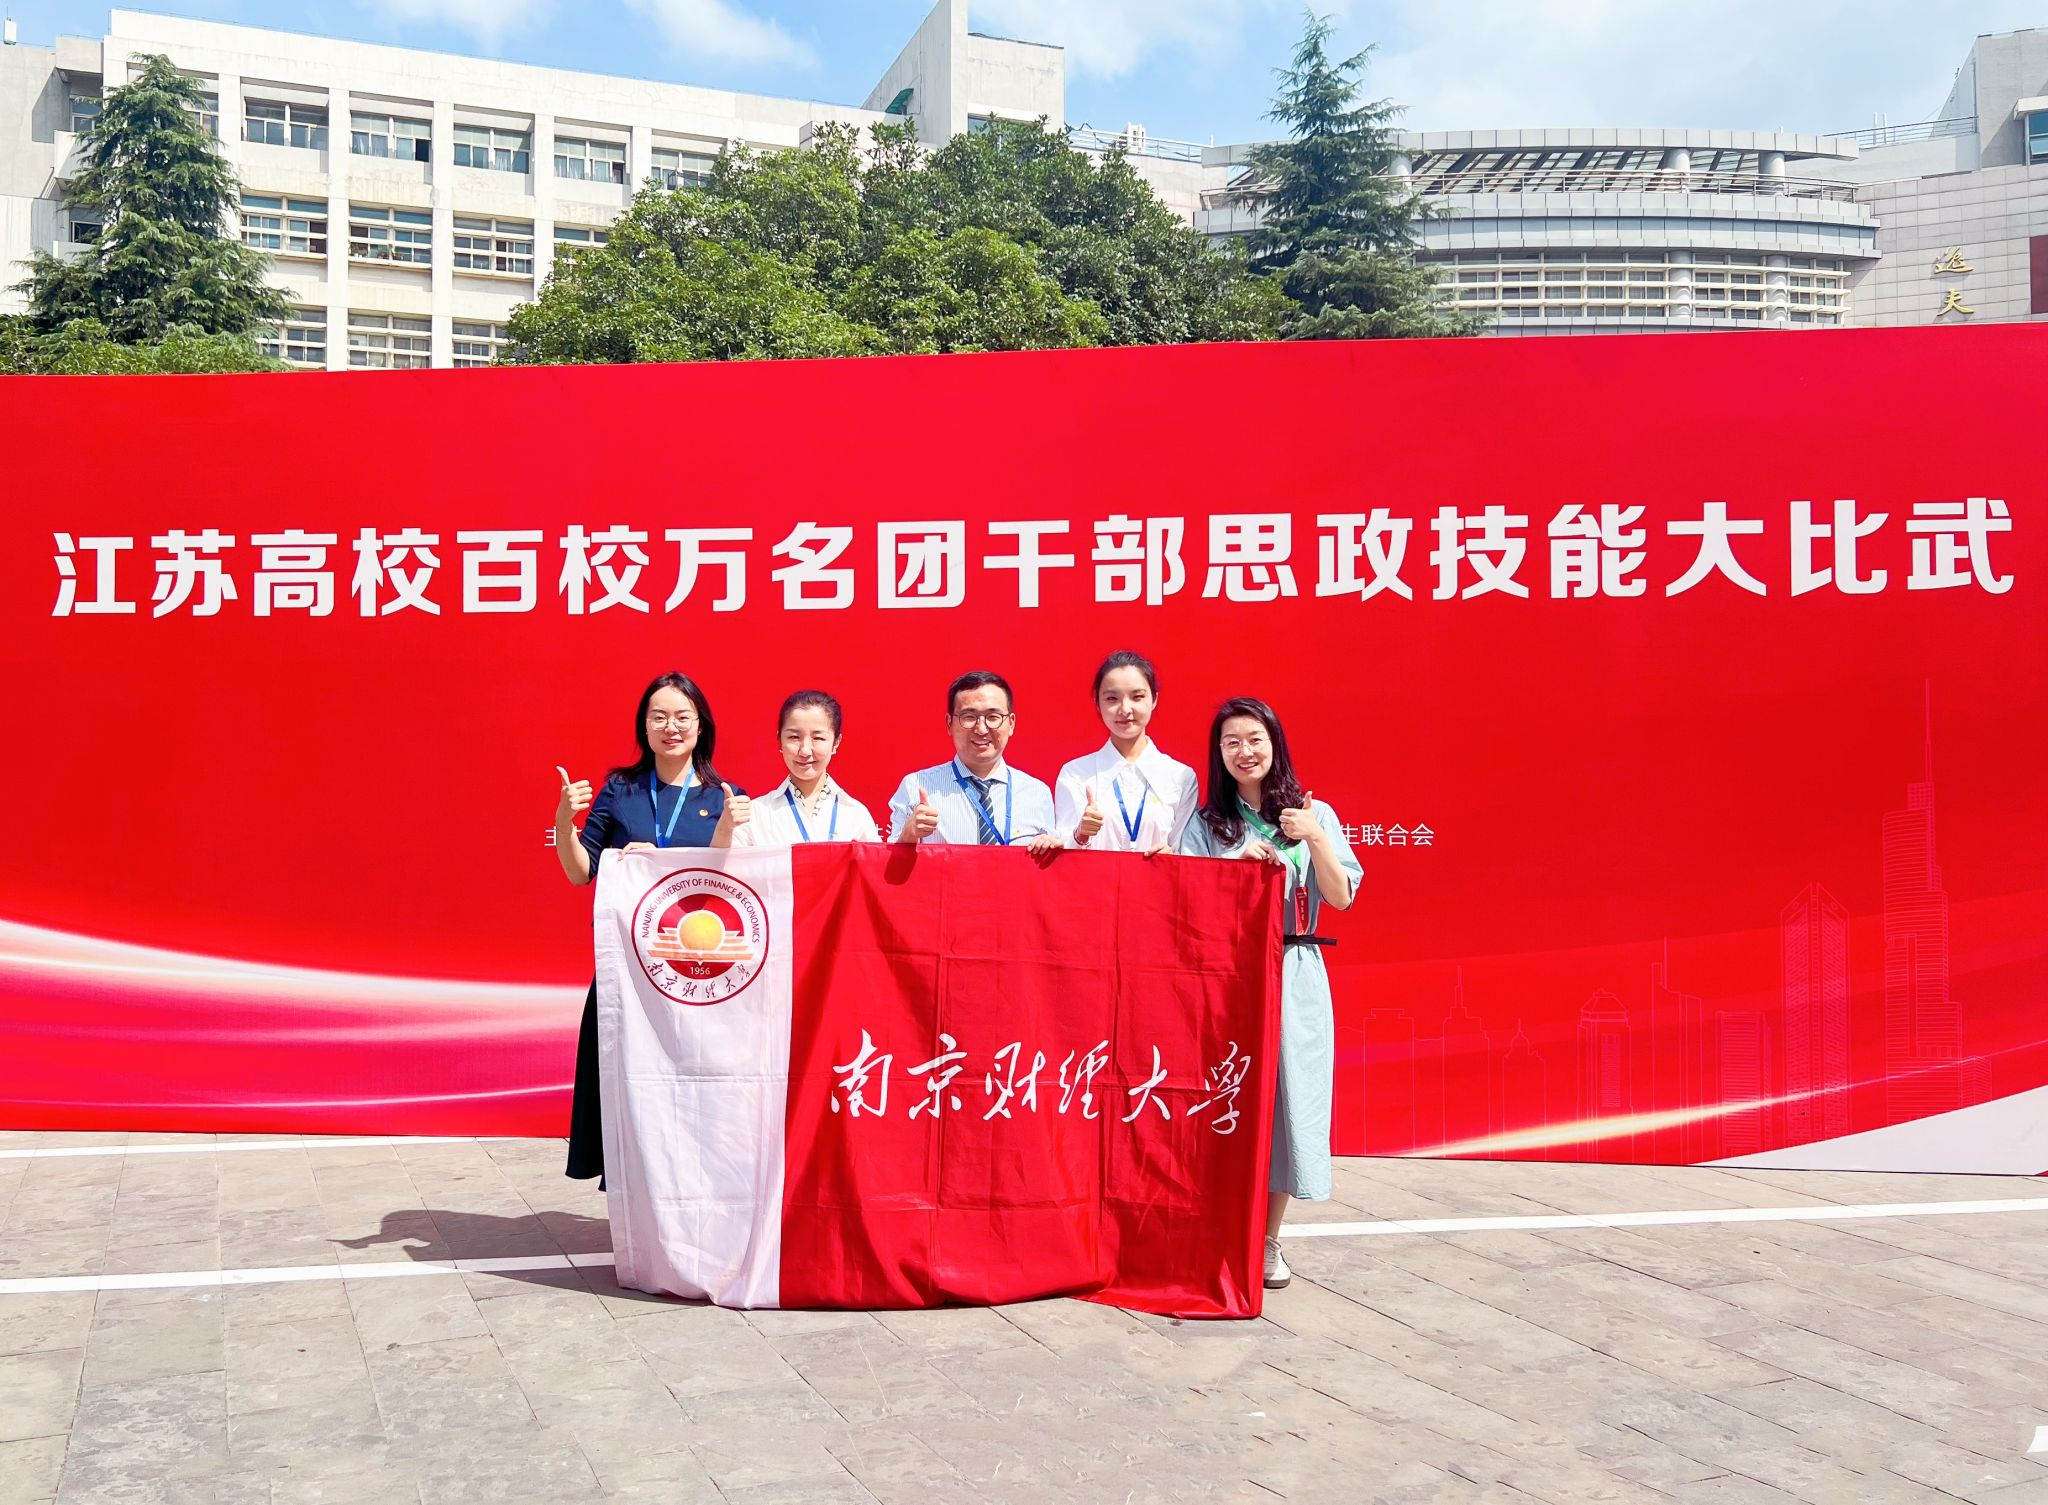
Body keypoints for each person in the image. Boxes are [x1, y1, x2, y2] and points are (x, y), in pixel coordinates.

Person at [1177, 696, 1360, 1290]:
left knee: (1287, 1104)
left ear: (1274, 743)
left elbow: (1341, 897)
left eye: (1254, 739)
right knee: (1228, 1100)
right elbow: (1186, 904)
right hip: (1230, 975)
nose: (1244, 751)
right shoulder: (1208, 825)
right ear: (1218, 753)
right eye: (1231, 742)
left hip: (1296, 969)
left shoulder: (1313, 812)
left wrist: (1315, 838)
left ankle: (1267, 1240)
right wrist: (1235, 864)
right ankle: (1215, 1228)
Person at [553, 672, 750, 1182]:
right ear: (644, 726)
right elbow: (580, 871)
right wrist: (564, 822)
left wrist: (723, 829)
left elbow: (729, 881)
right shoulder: (621, 790)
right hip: (630, 972)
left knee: (694, 1093)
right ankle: (630, 1196)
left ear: (701, 725)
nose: (670, 727)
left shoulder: (726, 796)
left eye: (682, 716)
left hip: (698, 976)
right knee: (628, 1086)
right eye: (658, 717)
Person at [887, 670, 1060, 852]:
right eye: (969, 717)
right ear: (949, 723)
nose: (982, 729)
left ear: (1011, 723)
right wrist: (908, 836)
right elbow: (888, 864)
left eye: (993, 717)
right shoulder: (916, 786)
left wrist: (1050, 852)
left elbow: (1050, 868)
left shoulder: (1037, 793)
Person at [1053, 650, 1200, 855]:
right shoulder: (1076, 774)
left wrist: (1172, 856)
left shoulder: (1181, 777)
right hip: (1096, 877)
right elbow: (1061, 854)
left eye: (1137, 697)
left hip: (1158, 877)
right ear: (1098, 703)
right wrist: (1080, 835)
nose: (1125, 709)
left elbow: (1189, 852)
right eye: (1112, 698)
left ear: (1154, 699)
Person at [731, 690, 883, 846]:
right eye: (794, 737)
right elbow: (727, 861)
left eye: (818, 738)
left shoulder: (855, 814)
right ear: (780, 740)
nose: (805, 750)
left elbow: (875, 861)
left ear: (836, 743)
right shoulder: (755, 814)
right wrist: (724, 830)